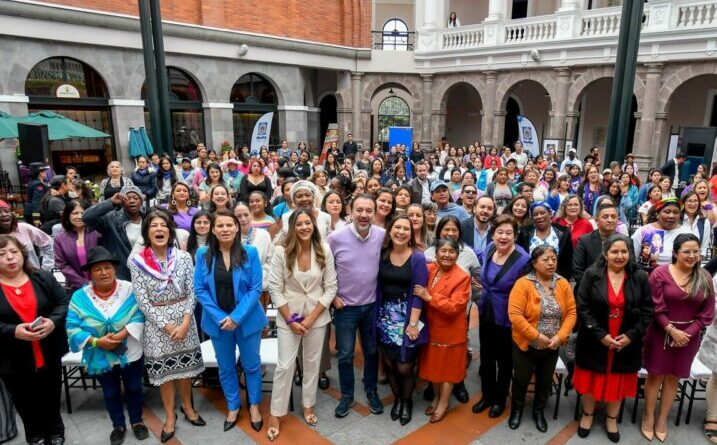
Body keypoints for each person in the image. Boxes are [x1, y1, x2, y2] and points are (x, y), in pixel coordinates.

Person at [129, 210, 205, 442]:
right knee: (166, 374)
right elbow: (142, 300)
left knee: (184, 371)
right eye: (154, 226)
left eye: (164, 225)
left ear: (170, 231)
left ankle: (188, 408)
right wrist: (167, 326)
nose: (159, 229)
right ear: (147, 232)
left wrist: (184, 322)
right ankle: (170, 416)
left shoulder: (182, 258)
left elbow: (193, 290)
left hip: (185, 320)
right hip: (157, 326)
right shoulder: (138, 262)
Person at [65, 246, 149, 445]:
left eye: (107, 267)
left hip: (130, 349)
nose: (104, 272)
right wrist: (97, 341)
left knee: (135, 388)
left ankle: (137, 422)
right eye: (98, 269)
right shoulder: (80, 297)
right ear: (90, 273)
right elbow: (71, 325)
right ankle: (118, 425)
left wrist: (121, 334)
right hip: (100, 354)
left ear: (114, 269)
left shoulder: (129, 288)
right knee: (110, 392)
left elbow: (140, 314)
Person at [573, 234, 653, 442]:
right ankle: (588, 415)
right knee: (592, 376)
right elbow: (582, 307)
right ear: (605, 254)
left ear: (629, 253)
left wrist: (630, 336)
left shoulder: (640, 277)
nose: (619, 256)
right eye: (614, 251)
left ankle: (611, 418)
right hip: (595, 337)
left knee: (618, 379)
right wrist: (600, 335)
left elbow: (647, 311)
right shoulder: (592, 274)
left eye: (624, 251)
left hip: (626, 340)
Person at [266, 210, 337, 440]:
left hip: (316, 317)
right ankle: (276, 413)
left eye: (308, 223)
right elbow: (275, 289)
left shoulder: (323, 249)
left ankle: (308, 404)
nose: (305, 227)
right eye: (300, 224)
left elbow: (331, 288)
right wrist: (290, 320)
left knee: (312, 364)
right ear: (292, 227)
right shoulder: (281, 251)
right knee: (285, 366)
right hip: (289, 317)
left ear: (314, 225)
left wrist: (311, 317)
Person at [194, 209, 266, 432]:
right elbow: (200, 289)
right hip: (218, 324)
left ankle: (254, 405)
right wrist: (222, 318)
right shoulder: (203, 254)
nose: (225, 229)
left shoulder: (250, 253)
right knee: (225, 368)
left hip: (247, 321)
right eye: (220, 226)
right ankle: (233, 406)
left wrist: (236, 318)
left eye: (229, 225)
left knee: (252, 366)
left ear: (237, 227)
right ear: (213, 230)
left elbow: (255, 289)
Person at [642, 233, 715, 441]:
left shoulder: (704, 277)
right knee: (655, 376)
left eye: (696, 251)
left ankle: (662, 418)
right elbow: (655, 305)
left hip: (688, 337)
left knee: (674, 378)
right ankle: (648, 415)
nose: (692, 255)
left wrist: (687, 334)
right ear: (675, 253)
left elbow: (707, 313)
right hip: (659, 332)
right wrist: (671, 330)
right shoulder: (660, 273)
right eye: (687, 251)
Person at [0, 234, 69, 445]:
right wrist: (12, 331)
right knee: (24, 399)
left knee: (50, 394)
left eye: (13, 252)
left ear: (22, 253)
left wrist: (52, 322)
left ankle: (56, 431)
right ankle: (35, 434)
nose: (10, 258)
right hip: (12, 357)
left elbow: (63, 302)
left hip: (48, 348)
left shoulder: (42, 277)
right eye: (2, 254)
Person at [507, 245, 577, 432]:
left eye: (554, 259)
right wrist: (536, 336)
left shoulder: (562, 283)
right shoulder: (523, 283)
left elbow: (571, 313)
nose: (551, 263)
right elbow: (515, 315)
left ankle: (539, 411)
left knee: (545, 380)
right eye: (545, 259)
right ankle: (517, 409)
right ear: (534, 263)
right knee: (521, 379)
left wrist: (560, 337)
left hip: (552, 346)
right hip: (526, 344)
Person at [328, 194, 385, 417]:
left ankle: (371, 391)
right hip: (345, 308)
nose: (363, 215)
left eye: (368, 211)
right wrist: (333, 297)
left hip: (372, 305)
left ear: (374, 212)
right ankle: (347, 396)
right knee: (345, 354)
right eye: (359, 210)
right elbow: (326, 270)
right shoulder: (336, 237)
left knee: (371, 351)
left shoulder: (382, 235)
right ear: (350, 211)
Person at [472, 215, 530, 418]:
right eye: (499, 232)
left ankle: (499, 399)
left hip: (507, 316)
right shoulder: (489, 248)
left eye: (508, 233)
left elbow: (525, 292)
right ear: (493, 233)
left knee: (504, 361)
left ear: (515, 235)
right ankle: (486, 396)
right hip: (486, 310)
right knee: (486, 357)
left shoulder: (523, 259)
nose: (503, 237)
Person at [374, 216, 429, 425]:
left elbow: (418, 293)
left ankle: (407, 402)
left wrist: (413, 324)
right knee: (389, 363)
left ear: (411, 233)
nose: (401, 232)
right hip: (384, 318)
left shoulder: (417, 258)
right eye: (397, 227)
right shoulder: (383, 254)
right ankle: (397, 399)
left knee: (405, 366)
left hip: (407, 318)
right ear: (390, 230)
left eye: (406, 228)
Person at [415, 238, 470, 423]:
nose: (447, 255)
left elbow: (455, 306)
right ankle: (436, 398)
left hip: (451, 331)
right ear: (436, 253)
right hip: (432, 328)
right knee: (434, 368)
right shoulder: (431, 269)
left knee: (448, 372)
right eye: (443, 251)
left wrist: (430, 297)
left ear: (457, 254)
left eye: (451, 251)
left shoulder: (462, 277)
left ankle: (444, 403)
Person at [83, 186, 145, 281]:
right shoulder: (111, 219)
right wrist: (110, 202)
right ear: (122, 201)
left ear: (141, 201)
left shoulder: (148, 220)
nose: (132, 201)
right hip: (122, 275)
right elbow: (87, 217)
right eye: (128, 198)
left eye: (136, 198)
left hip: (145, 274)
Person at [54, 200, 102, 294]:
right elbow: (62, 264)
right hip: (76, 288)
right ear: (68, 216)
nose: (80, 216)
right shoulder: (60, 239)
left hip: (101, 284)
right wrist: (83, 283)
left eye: (83, 213)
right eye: (75, 213)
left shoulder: (97, 234)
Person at [631, 198, 691, 271]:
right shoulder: (644, 231)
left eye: (676, 212)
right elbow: (632, 260)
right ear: (658, 214)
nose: (671, 216)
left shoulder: (686, 232)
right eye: (667, 212)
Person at [518, 201, 573, 279]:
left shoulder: (563, 233)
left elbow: (568, 261)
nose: (539, 216)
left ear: (550, 213)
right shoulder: (525, 233)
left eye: (542, 213)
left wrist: (562, 280)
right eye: (535, 214)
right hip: (530, 279)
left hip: (557, 279)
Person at [0, 199, 54, 271]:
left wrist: (46, 269)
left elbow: (48, 243)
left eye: (6, 211)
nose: (4, 214)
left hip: (32, 277)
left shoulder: (24, 228)